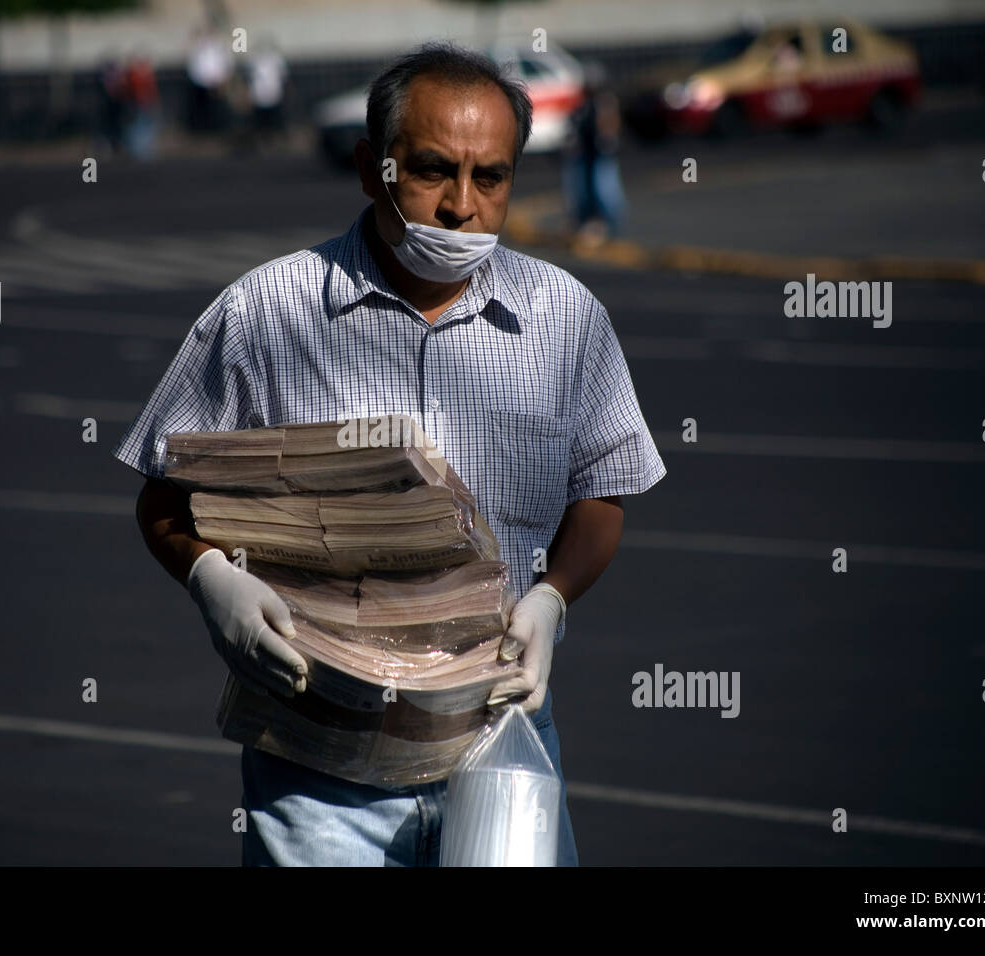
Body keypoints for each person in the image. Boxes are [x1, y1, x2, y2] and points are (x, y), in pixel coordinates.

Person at [112, 42, 666, 867]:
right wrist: (210, 579)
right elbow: (166, 495)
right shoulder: (265, 313)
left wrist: (553, 598)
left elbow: (602, 489)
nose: (462, 206)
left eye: (493, 178)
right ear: (373, 169)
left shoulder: (567, 319)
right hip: (320, 763)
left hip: (501, 741)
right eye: (435, 171)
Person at [563, 61, 628, 241]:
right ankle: (585, 222)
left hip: (601, 154)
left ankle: (608, 223)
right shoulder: (582, 105)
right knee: (582, 189)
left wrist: (607, 140)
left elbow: (609, 125)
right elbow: (574, 127)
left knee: (604, 189)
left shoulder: (605, 102)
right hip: (585, 154)